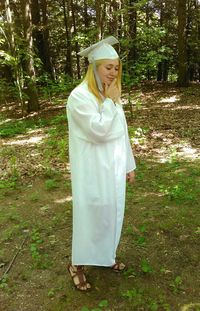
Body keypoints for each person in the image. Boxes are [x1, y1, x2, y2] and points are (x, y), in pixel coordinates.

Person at [66, 36, 136, 291]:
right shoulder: (79, 97)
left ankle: (106, 256)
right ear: (94, 67)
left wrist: (129, 164)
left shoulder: (111, 95)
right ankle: (77, 264)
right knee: (91, 214)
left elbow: (122, 131)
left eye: (116, 68)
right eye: (109, 67)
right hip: (93, 169)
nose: (113, 73)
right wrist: (108, 100)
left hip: (114, 166)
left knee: (111, 213)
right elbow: (98, 131)